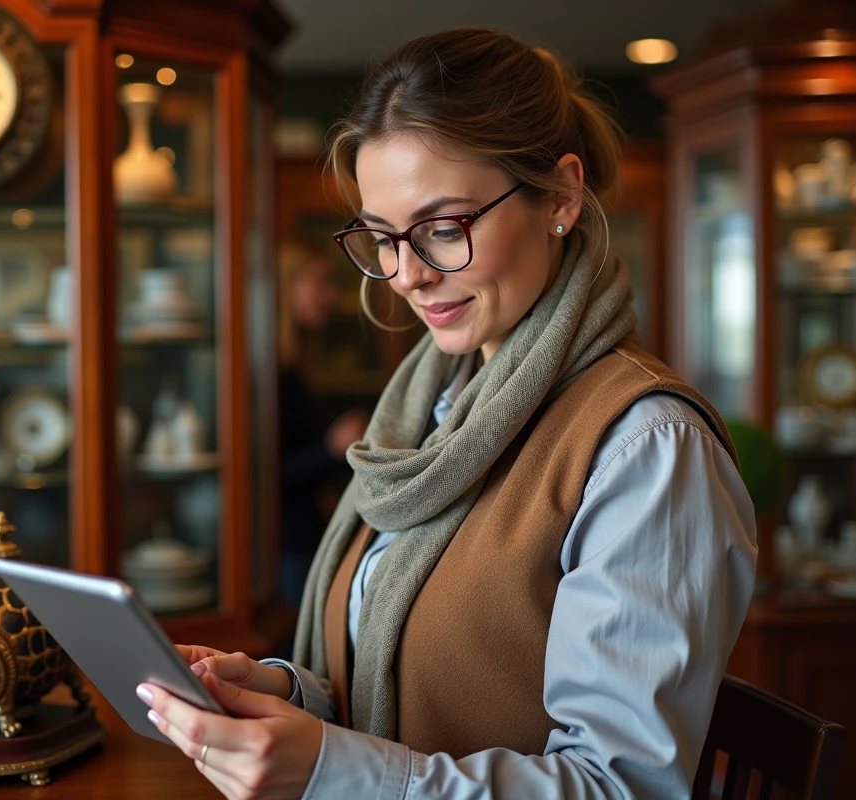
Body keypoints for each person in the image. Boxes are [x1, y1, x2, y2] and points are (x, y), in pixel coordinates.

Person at [136, 27, 757, 800]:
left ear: (561, 197)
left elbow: (620, 788)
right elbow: (404, 698)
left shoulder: (647, 448)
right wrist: (284, 696)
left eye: (442, 228)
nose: (406, 276)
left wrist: (328, 768)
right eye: (384, 238)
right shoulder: (431, 414)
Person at [277, 242, 369, 611]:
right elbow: (263, 473)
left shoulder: (293, 364)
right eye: (320, 283)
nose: (329, 296)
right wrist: (331, 447)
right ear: (288, 288)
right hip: (285, 543)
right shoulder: (271, 373)